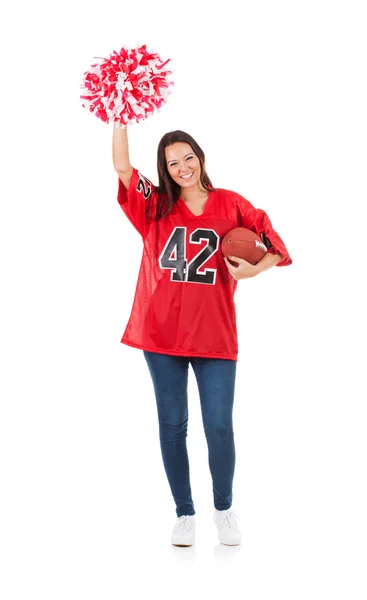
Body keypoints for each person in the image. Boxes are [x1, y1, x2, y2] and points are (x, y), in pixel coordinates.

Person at [112, 125, 292, 547]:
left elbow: (275, 244)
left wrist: (256, 269)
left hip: (215, 336)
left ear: (200, 156)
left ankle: (224, 509)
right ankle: (184, 513)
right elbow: (122, 167)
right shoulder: (154, 205)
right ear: (165, 169)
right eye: (172, 162)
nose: (182, 167)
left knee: (219, 427)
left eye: (187, 157)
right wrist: (119, 115)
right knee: (173, 427)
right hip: (161, 336)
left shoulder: (231, 203)